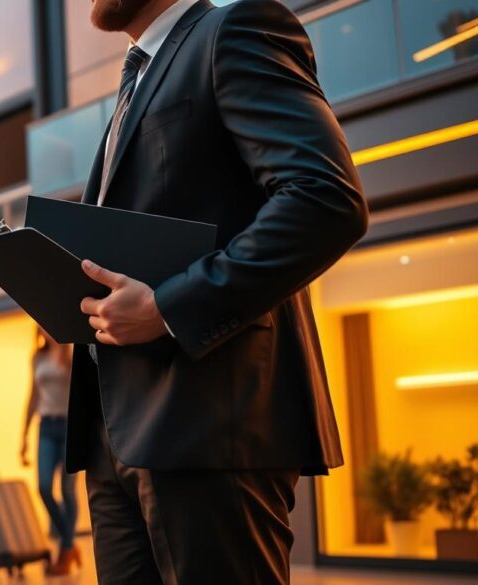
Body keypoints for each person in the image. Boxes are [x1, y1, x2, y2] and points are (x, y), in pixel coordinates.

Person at [66, 1, 369, 584]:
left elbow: (324, 198)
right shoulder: (135, 82)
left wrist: (168, 308)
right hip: (115, 437)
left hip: (208, 426)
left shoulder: (237, 28)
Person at [21, 326, 78, 575]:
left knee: (67, 489)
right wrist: (22, 436)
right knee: (43, 487)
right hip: (46, 426)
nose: (45, 330)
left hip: (69, 426)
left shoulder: (72, 352)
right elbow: (33, 396)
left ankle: (65, 550)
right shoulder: (37, 357)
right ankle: (70, 543)